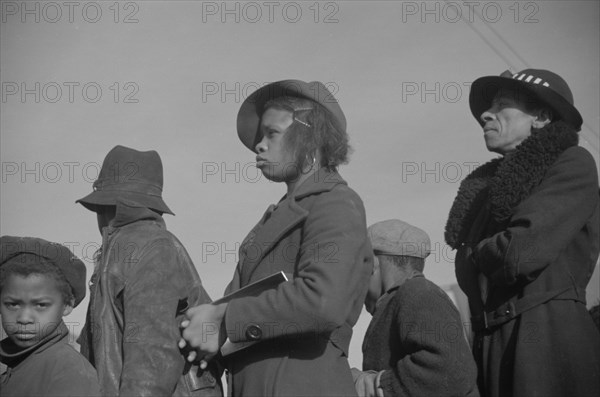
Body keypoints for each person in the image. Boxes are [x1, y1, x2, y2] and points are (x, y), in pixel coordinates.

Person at [180, 80, 373, 396]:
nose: (259, 144)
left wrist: (225, 317)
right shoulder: (271, 220)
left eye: (272, 133)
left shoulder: (336, 202)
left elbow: (322, 301)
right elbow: (235, 307)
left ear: (311, 136)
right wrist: (205, 331)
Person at [445, 69, 600, 397]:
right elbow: (474, 273)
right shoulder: (486, 192)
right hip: (490, 348)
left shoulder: (573, 162)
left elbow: (518, 255)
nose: (486, 114)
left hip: (548, 344)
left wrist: (477, 251)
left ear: (542, 117)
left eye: (502, 105)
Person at [76, 145, 222, 396]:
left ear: (109, 206)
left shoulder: (150, 247)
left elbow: (152, 353)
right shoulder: (127, 248)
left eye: (101, 207)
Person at [351, 219, 479, 397]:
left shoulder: (418, 292)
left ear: (372, 262)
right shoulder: (398, 301)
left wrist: (367, 385)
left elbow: (450, 372)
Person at [0, 236, 100, 397]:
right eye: (13, 304)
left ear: (67, 305)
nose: (24, 318)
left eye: (41, 305)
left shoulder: (69, 373)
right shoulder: (20, 363)